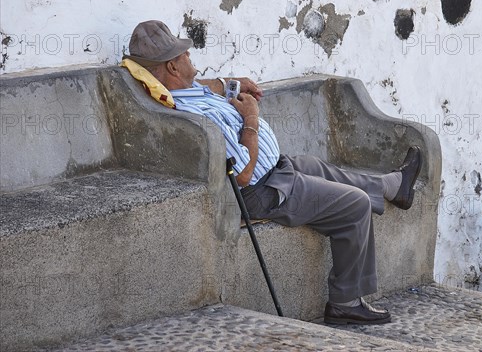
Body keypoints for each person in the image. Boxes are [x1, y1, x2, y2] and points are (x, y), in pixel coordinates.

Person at [123, 20, 422, 325]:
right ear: (173, 67)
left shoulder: (187, 90)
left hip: (276, 171)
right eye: (184, 55)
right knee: (354, 205)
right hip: (261, 192)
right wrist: (251, 119)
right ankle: (345, 302)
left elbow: (209, 85)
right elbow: (241, 174)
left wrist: (231, 83)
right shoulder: (196, 116)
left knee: (312, 164)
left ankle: (392, 186)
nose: (191, 58)